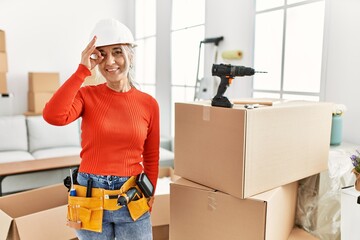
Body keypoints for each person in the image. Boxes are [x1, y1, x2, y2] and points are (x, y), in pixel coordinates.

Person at [43, 18, 160, 240]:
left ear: (130, 55)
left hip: (132, 195)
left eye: (117, 52)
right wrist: (81, 71)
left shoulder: (148, 103)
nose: (110, 61)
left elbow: (152, 156)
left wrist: (149, 195)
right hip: (89, 195)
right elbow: (53, 116)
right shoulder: (87, 96)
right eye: (102, 54)